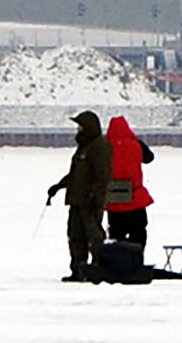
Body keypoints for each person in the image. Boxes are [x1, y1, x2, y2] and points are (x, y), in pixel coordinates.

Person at [46, 111, 111, 281]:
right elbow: (75, 174)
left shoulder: (100, 146)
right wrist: (59, 186)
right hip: (77, 199)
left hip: (90, 201)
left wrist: (94, 196)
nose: (78, 130)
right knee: (75, 235)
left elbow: (102, 176)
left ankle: (98, 267)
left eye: (80, 127)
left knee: (93, 235)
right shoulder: (84, 147)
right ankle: (78, 268)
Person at [104, 115, 155, 249]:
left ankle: (118, 265)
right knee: (138, 234)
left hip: (114, 200)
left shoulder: (105, 146)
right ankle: (136, 263)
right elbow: (149, 157)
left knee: (116, 236)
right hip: (135, 198)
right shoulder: (135, 145)